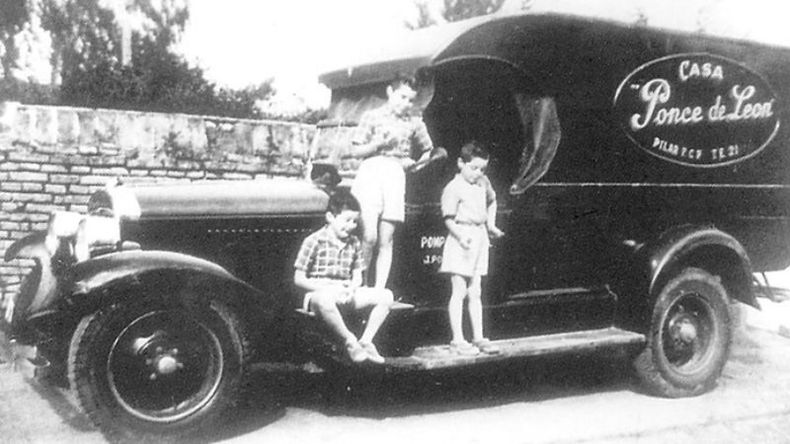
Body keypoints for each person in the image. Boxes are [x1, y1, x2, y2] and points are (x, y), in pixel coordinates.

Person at [349, 76, 446, 288]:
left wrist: (414, 163)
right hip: (371, 172)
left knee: (386, 238)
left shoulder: (414, 123)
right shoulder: (371, 116)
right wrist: (377, 144)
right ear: (390, 93)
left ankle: (379, 289)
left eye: (410, 100)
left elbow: (429, 151)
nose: (406, 103)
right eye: (402, 97)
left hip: (395, 175)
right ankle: (361, 285)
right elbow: (355, 151)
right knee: (369, 235)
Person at [293, 189, 394, 364]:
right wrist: (327, 288)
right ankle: (350, 341)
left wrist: (351, 288)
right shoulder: (314, 241)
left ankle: (366, 340)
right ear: (331, 217)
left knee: (386, 296)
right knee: (324, 300)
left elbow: (357, 276)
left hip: (346, 291)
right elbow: (299, 278)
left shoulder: (354, 243)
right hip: (320, 292)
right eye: (346, 220)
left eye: (355, 222)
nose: (351, 226)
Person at [439, 141, 505, 355]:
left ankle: (478, 337)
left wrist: (491, 224)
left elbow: (492, 201)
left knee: (475, 290)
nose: (478, 173)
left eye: (482, 169)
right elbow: (448, 219)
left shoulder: (483, 183)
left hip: (479, 237)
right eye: (474, 168)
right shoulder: (453, 188)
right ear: (461, 163)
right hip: (461, 238)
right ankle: (458, 339)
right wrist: (461, 237)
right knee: (458, 290)